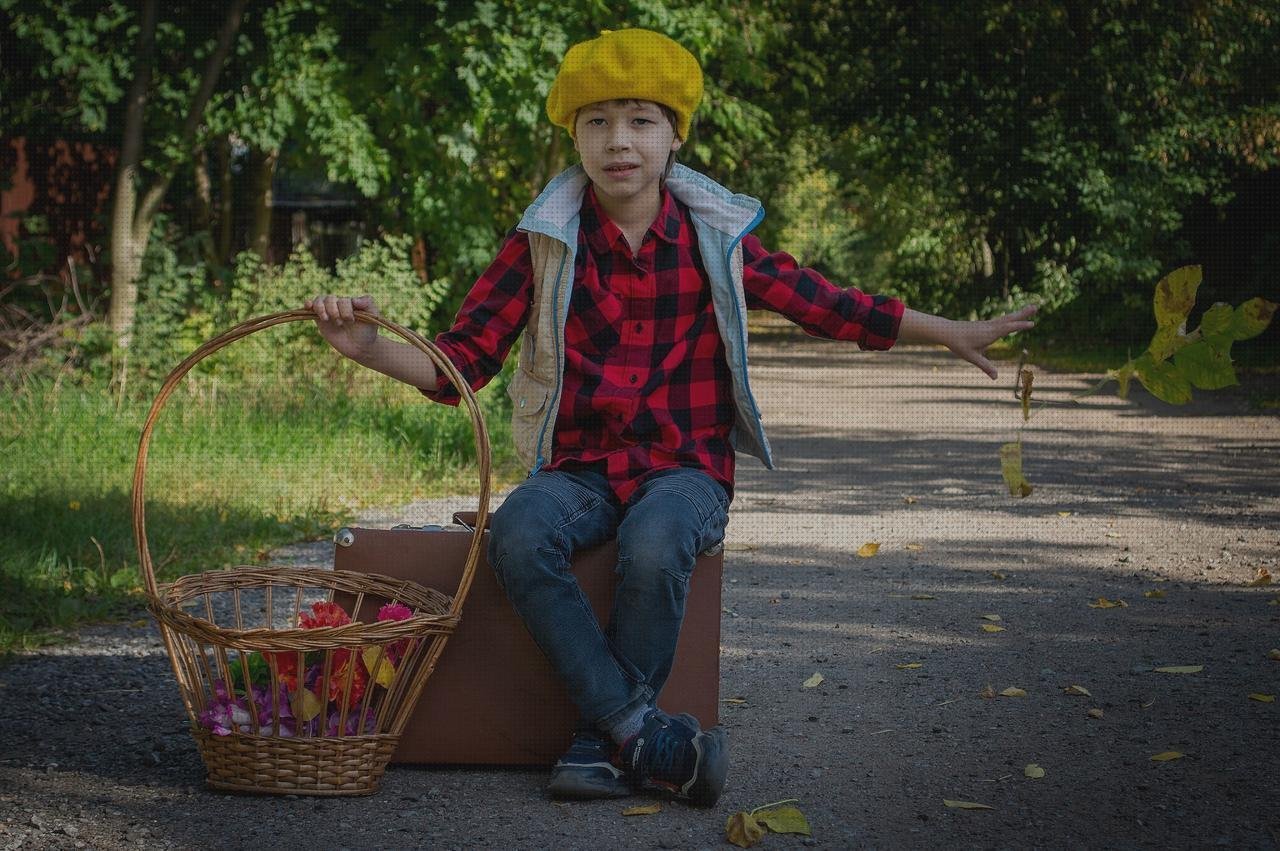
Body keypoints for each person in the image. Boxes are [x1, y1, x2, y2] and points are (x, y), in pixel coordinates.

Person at [305, 28, 1036, 808]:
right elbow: (462, 363)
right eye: (596, 122)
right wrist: (370, 348)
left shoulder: (715, 238)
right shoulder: (543, 243)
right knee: (517, 530)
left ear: (676, 134)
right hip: (579, 470)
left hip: (684, 472)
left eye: (640, 120)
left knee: (655, 542)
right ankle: (637, 732)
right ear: (574, 138)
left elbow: (831, 306)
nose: (618, 140)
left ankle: (601, 739)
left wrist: (950, 330)